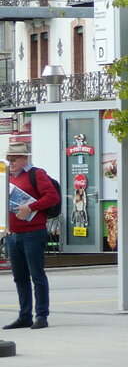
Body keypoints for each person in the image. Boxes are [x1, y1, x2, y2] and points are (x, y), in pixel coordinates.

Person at [3, 140, 60, 329]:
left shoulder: (37, 174)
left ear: (24, 158)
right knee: (19, 277)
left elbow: (52, 197)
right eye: (8, 158)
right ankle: (24, 315)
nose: (10, 161)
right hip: (13, 233)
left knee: (37, 275)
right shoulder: (7, 177)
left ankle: (41, 315)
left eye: (14, 158)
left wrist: (30, 207)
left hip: (33, 232)